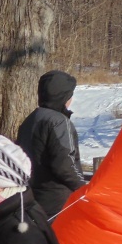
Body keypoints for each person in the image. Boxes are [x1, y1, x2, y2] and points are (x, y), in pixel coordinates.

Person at [16, 69, 87, 218]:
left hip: (33, 195)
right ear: (64, 96)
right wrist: (83, 188)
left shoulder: (30, 120)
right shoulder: (59, 122)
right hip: (58, 199)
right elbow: (64, 164)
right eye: (70, 95)